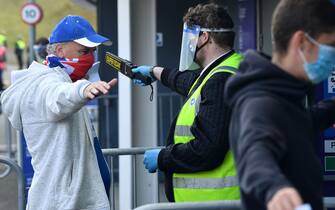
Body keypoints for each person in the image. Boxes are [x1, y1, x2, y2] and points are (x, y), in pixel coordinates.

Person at [224, 0, 335, 210]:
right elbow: (255, 152)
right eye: (330, 46)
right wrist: (275, 188)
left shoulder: (285, 96)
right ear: (301, 41)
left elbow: (302, 123)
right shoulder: (260, 104)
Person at [1, 15, 116, 210]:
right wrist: (82, 90)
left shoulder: (60, 79)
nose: (90, 57)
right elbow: (57, 98)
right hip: (63, 203)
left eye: (93, 51)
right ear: (60, 50)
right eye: (84, 50)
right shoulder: (44, 83)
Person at [133, 3, 242, 202]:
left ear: (204, 37)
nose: (188, 44)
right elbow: (189, 82)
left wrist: (162, 157)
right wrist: (154, 72)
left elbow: (207, 149)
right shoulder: (226, 68)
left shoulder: (220, 80)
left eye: (190, 37)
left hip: (214, 201)